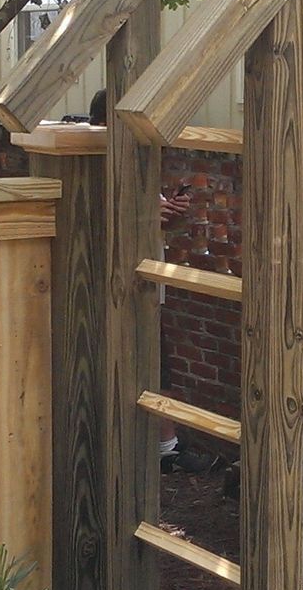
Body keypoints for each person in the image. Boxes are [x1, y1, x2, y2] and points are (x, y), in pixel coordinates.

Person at [88, 90, 220, 475]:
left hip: (148, 291)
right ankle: (164, 450)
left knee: (157, 369)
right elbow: (103, 228)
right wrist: (145, 216)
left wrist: (171, 213)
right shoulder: (96, 171)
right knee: (146, 371)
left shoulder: (138, 167)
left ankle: (163, 446)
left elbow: (160, 227)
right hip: (117, 294)